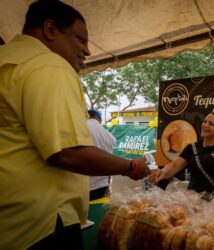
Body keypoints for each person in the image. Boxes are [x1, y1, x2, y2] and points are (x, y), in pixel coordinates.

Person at [0, 1, 150, 249]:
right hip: (41, 227)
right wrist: (131, 166)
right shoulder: (48, 64)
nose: (88, 51)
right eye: (81, 40)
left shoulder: (8, 61)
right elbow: (68, 152)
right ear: (50, 30)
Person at [154, 111, 214, 199]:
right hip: (193, 198)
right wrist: (161, 173)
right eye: (204, 122)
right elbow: (174, 166)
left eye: (211, 124)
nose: (205, 125)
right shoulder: (192, 147)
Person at [87, 109, 116, 201]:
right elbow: (110, 164)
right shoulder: (108, 136)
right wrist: (107, 186)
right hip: (101, 185)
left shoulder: (81, 128)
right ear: (98, 118)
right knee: (95, 213)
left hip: (81, 186)